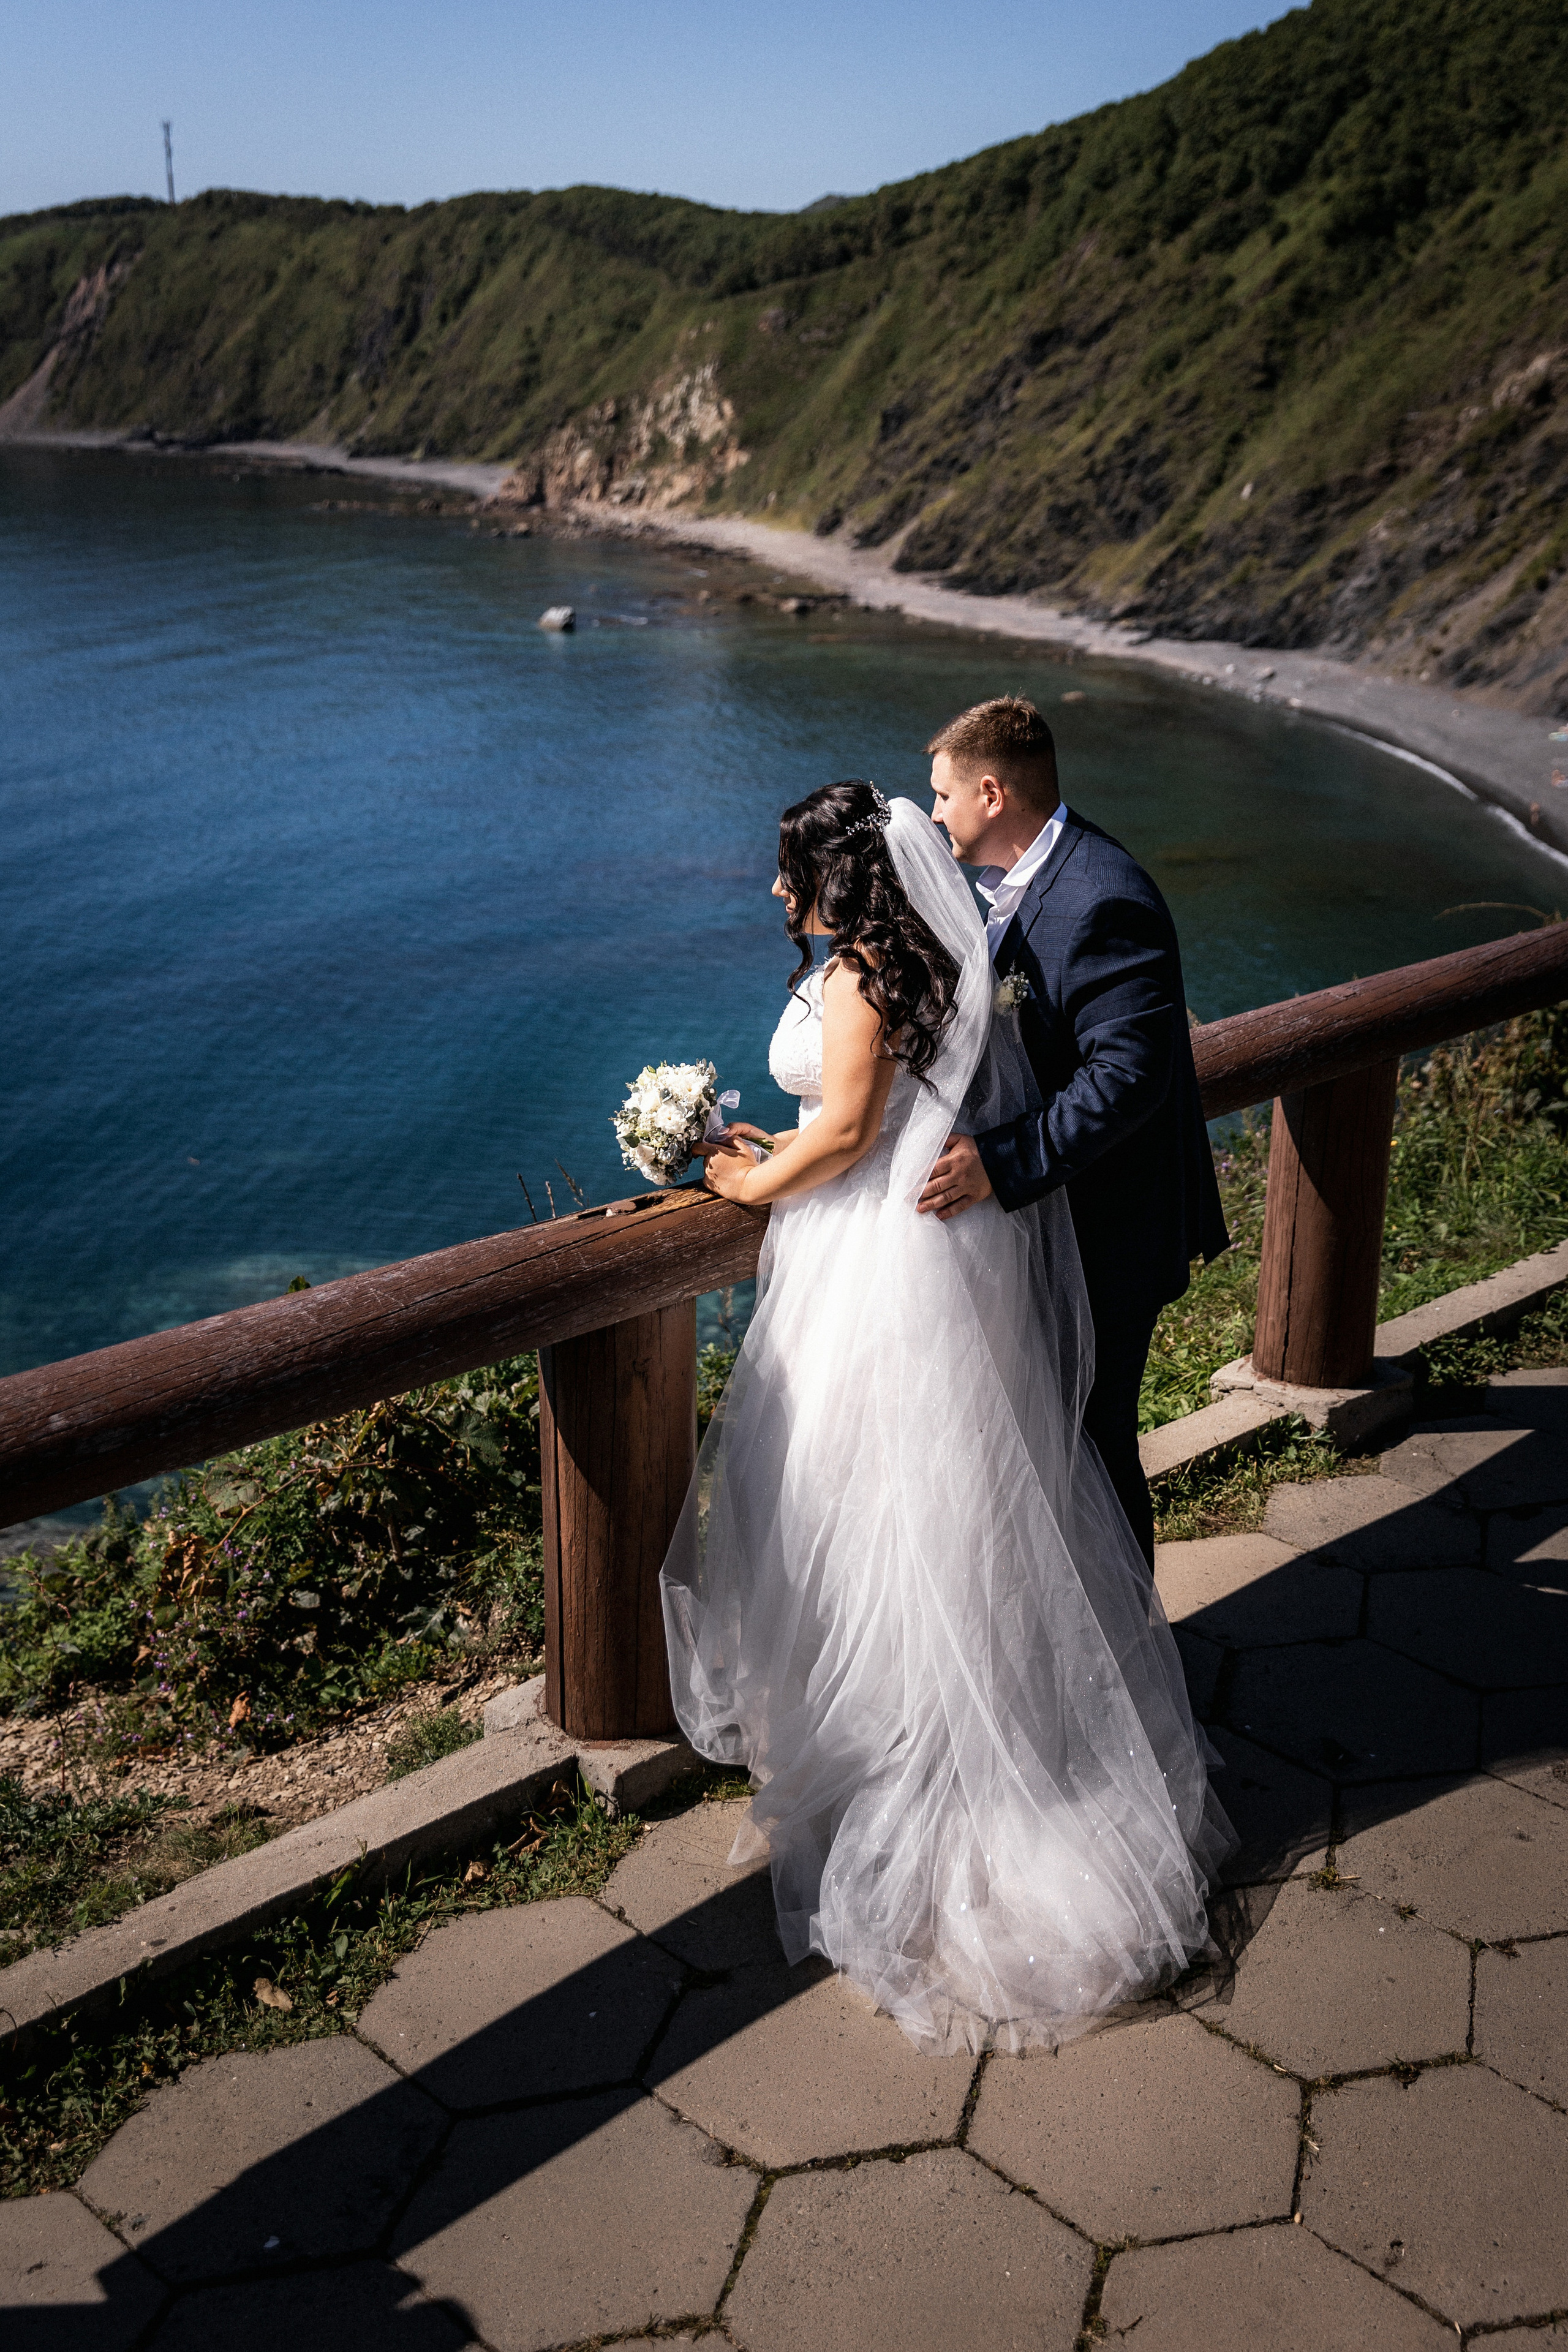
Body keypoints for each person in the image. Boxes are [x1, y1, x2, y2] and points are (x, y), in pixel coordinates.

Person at [662, 778, 1232, 2057]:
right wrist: (791, 1146)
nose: (770, 890)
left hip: (880, 1262)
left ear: (839, 877)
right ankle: (917, 1726)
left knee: (884, 1504)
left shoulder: (866, 972)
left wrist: (747, 1174)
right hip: (912, 1246)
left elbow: (854, 1128)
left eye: (786, 869)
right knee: (928, 1501)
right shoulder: (907, 953)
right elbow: (866, 1113)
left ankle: (932, 1770)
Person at [918, 697, 1229, 1567]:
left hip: (1110, 1233)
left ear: (991, 791)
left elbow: (1127, 1078)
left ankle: (1134, 1671)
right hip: (1059, 1225)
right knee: (1051, 1449)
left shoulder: (1102, 896)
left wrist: (998, 1161)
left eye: (942, 795)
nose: (934, 813)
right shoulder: (1014, 887)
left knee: (1093, 1451)